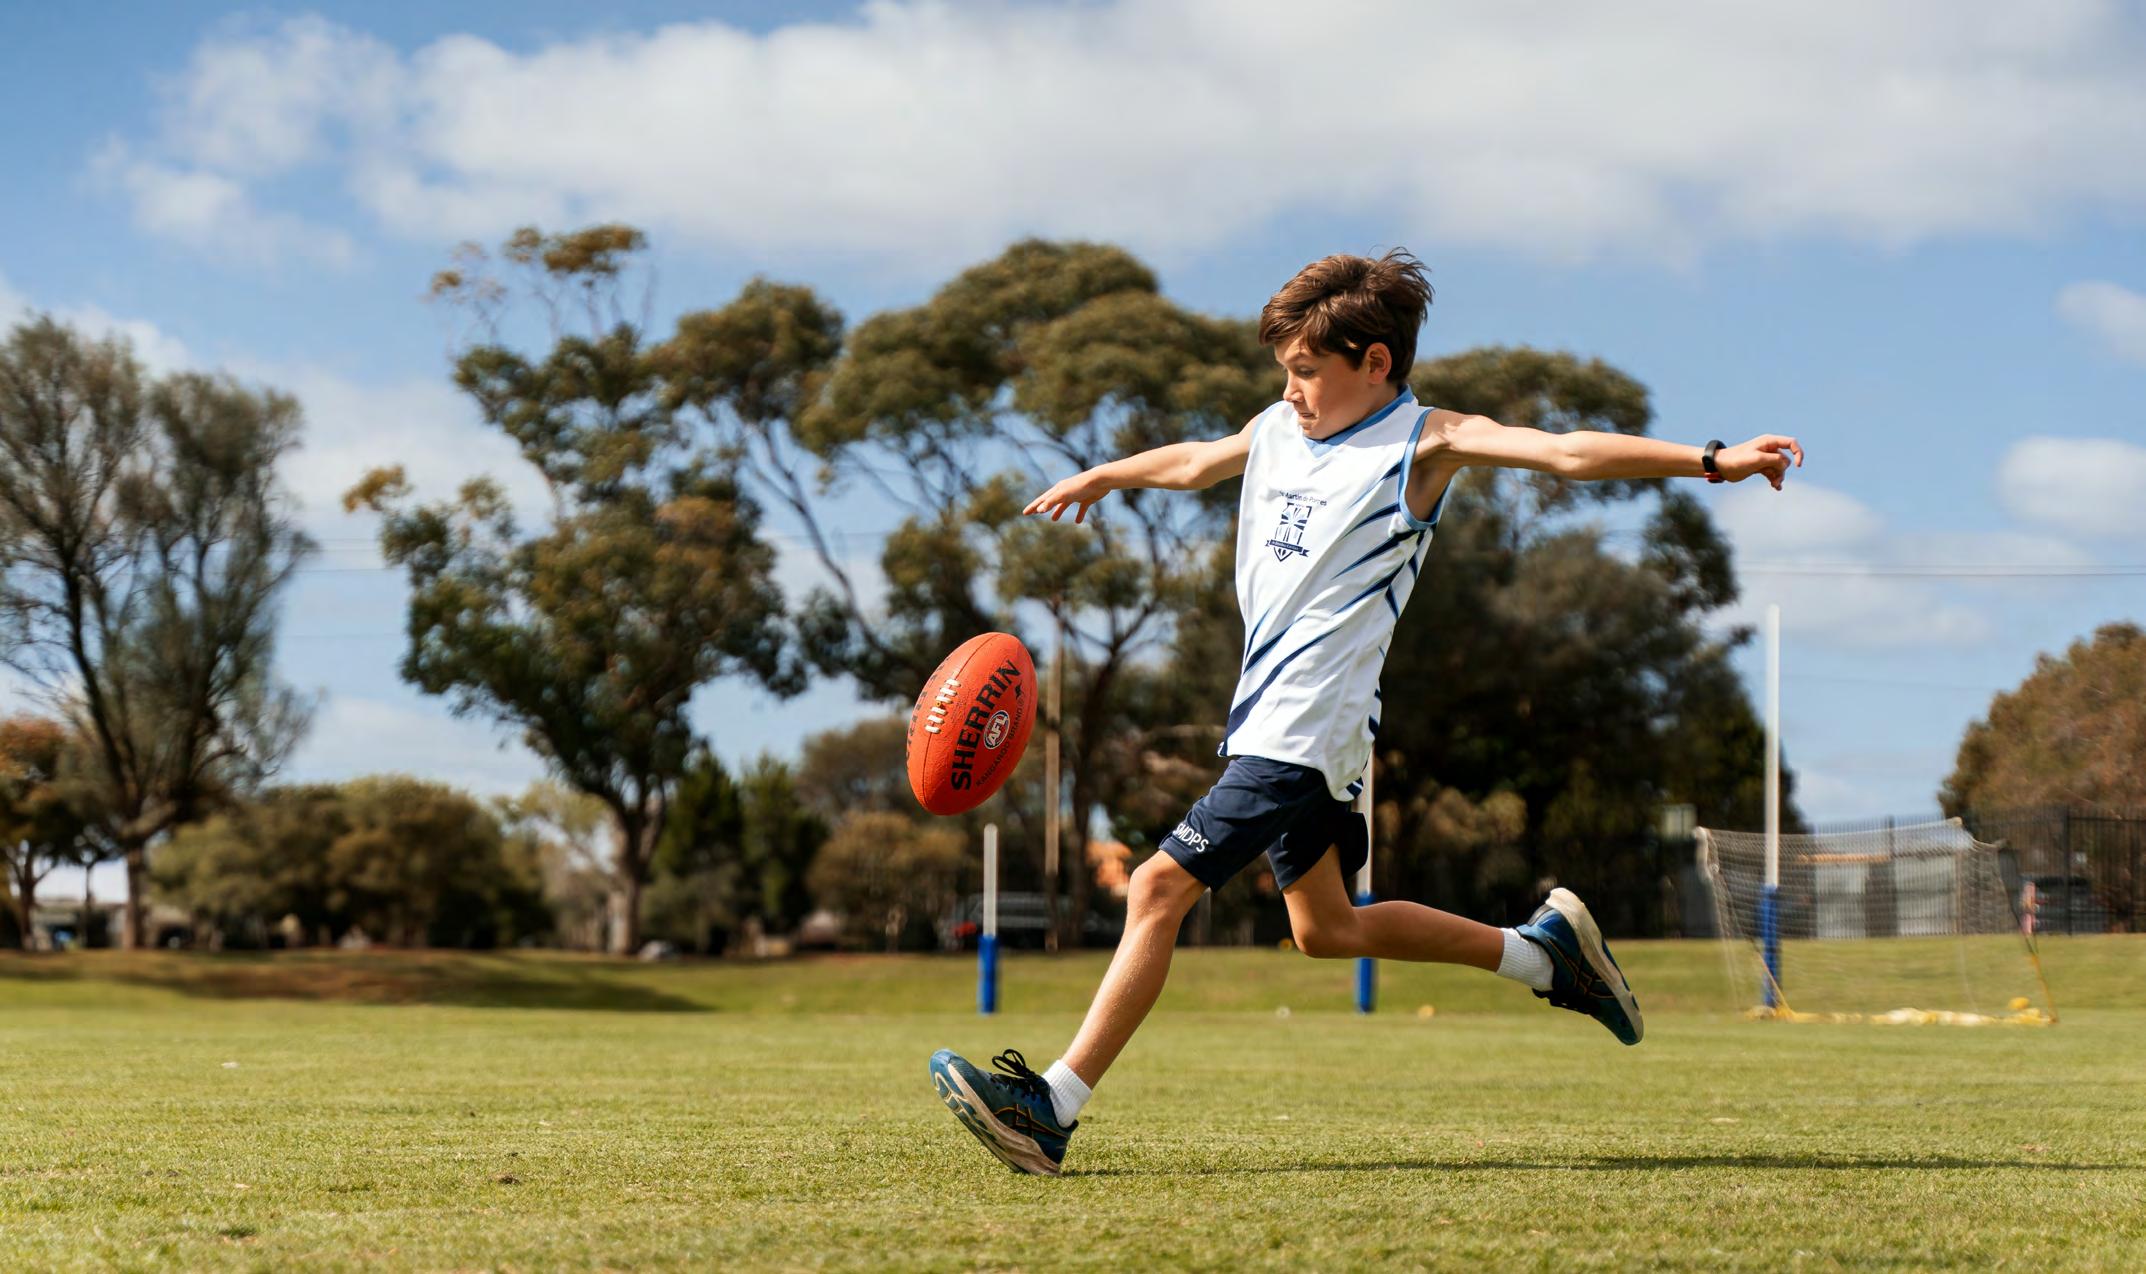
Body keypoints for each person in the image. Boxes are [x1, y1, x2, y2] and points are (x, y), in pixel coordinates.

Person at [928, 250, 1804, 1176]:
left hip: (1307, 727)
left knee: (1154, 888)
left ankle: (1051, 1109)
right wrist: (1105, 474)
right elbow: (1193, 462)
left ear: (1376, 362)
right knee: (1328, 930)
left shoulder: (1426, 442)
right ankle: (1544, 957)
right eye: (1286, 371)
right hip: (1279, 723)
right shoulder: (1277, 428)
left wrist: (1714, 461)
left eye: (1308, 370)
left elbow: (1565, 452)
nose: (1291, 389)